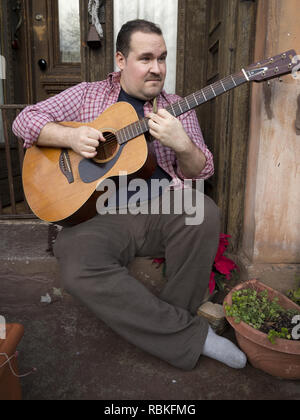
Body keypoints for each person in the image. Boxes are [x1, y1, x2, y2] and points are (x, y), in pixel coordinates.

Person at [13, 19, 246, 370]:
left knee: (203, 212)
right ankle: (188, 335)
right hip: (96, 213)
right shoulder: (88, 94)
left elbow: (201, 170)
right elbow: (24, 121)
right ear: (121, 60)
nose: (157, 69)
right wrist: (72, 138)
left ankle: (172, 328)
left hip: (159, 207)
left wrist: (183, 145)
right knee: (76, 266)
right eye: (146, 58)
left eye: (163, 58)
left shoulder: (177, 106)